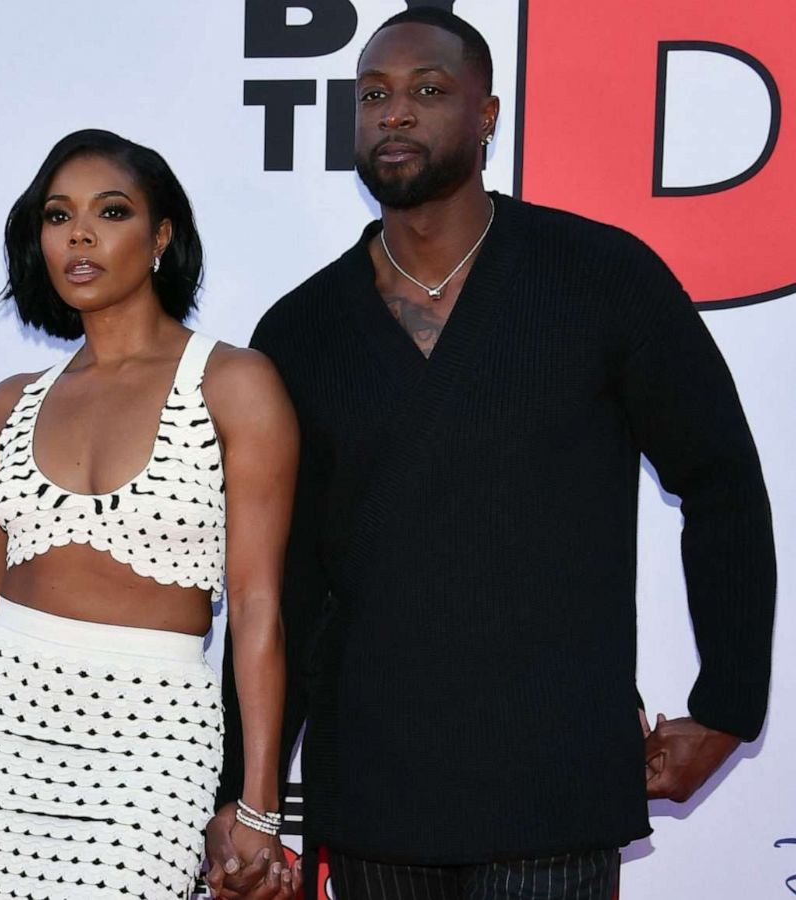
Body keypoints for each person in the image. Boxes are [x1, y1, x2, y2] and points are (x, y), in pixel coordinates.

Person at [205, 9, 776, 900]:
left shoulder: (603, 278)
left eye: (428, 91)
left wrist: (730, 705)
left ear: (488, 114)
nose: (394, 114)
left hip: (555, 787)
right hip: (374, 799)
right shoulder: (300, 332)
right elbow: (282, 584)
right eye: (372, 96)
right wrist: (252, 791)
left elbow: (723, 485)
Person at [0, 129, 300, 899]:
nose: (79, 234)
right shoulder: (12, 403)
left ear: (160, 237)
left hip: (155, 737)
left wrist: (258, 802)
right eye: (58, 216)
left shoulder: (235, 384)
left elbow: (257, 606)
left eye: (110, 212)